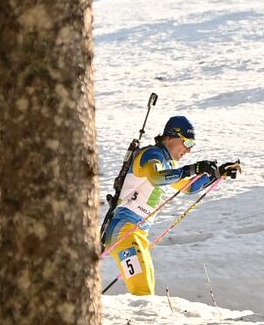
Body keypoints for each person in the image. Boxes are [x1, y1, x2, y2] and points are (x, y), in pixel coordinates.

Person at [100, 115, 239, 296]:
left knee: (146, 290)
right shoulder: (151, 155)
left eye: (192, 146)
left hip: (137, 233)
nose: (188, 151)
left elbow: (188, 187)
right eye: (187, 144)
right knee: (142, 290)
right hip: (123, 231)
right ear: (170, 137)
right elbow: (156, 177)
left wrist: (218, 174)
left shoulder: (168, 164)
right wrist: (191, 169)